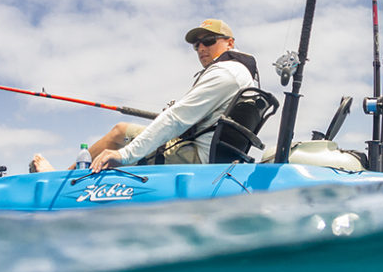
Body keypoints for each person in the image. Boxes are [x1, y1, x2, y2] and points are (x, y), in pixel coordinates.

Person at [31, 18, 260, 173]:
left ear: (230, 43)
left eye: (209, 41)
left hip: (198, 158)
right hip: (215, 153)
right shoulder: (244, 73)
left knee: (119, 133)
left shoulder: (225, 72)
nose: (201, 48)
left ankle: (61, 178)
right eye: (196, 44)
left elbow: (177, 118)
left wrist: (125, 155)